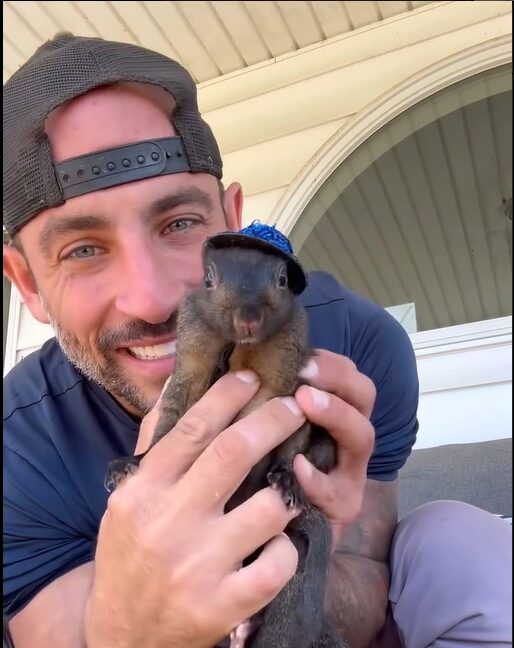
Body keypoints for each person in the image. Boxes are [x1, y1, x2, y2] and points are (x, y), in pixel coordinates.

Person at [2, 33, 511, 648]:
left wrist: (312, 523)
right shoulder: (18, 448)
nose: (154, 298)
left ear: (231, 224)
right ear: (26, 283)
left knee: (463, 544)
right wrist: (132, 627)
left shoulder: (355, 345)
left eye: (181, 223)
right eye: (83, 249)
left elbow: (366, 575)